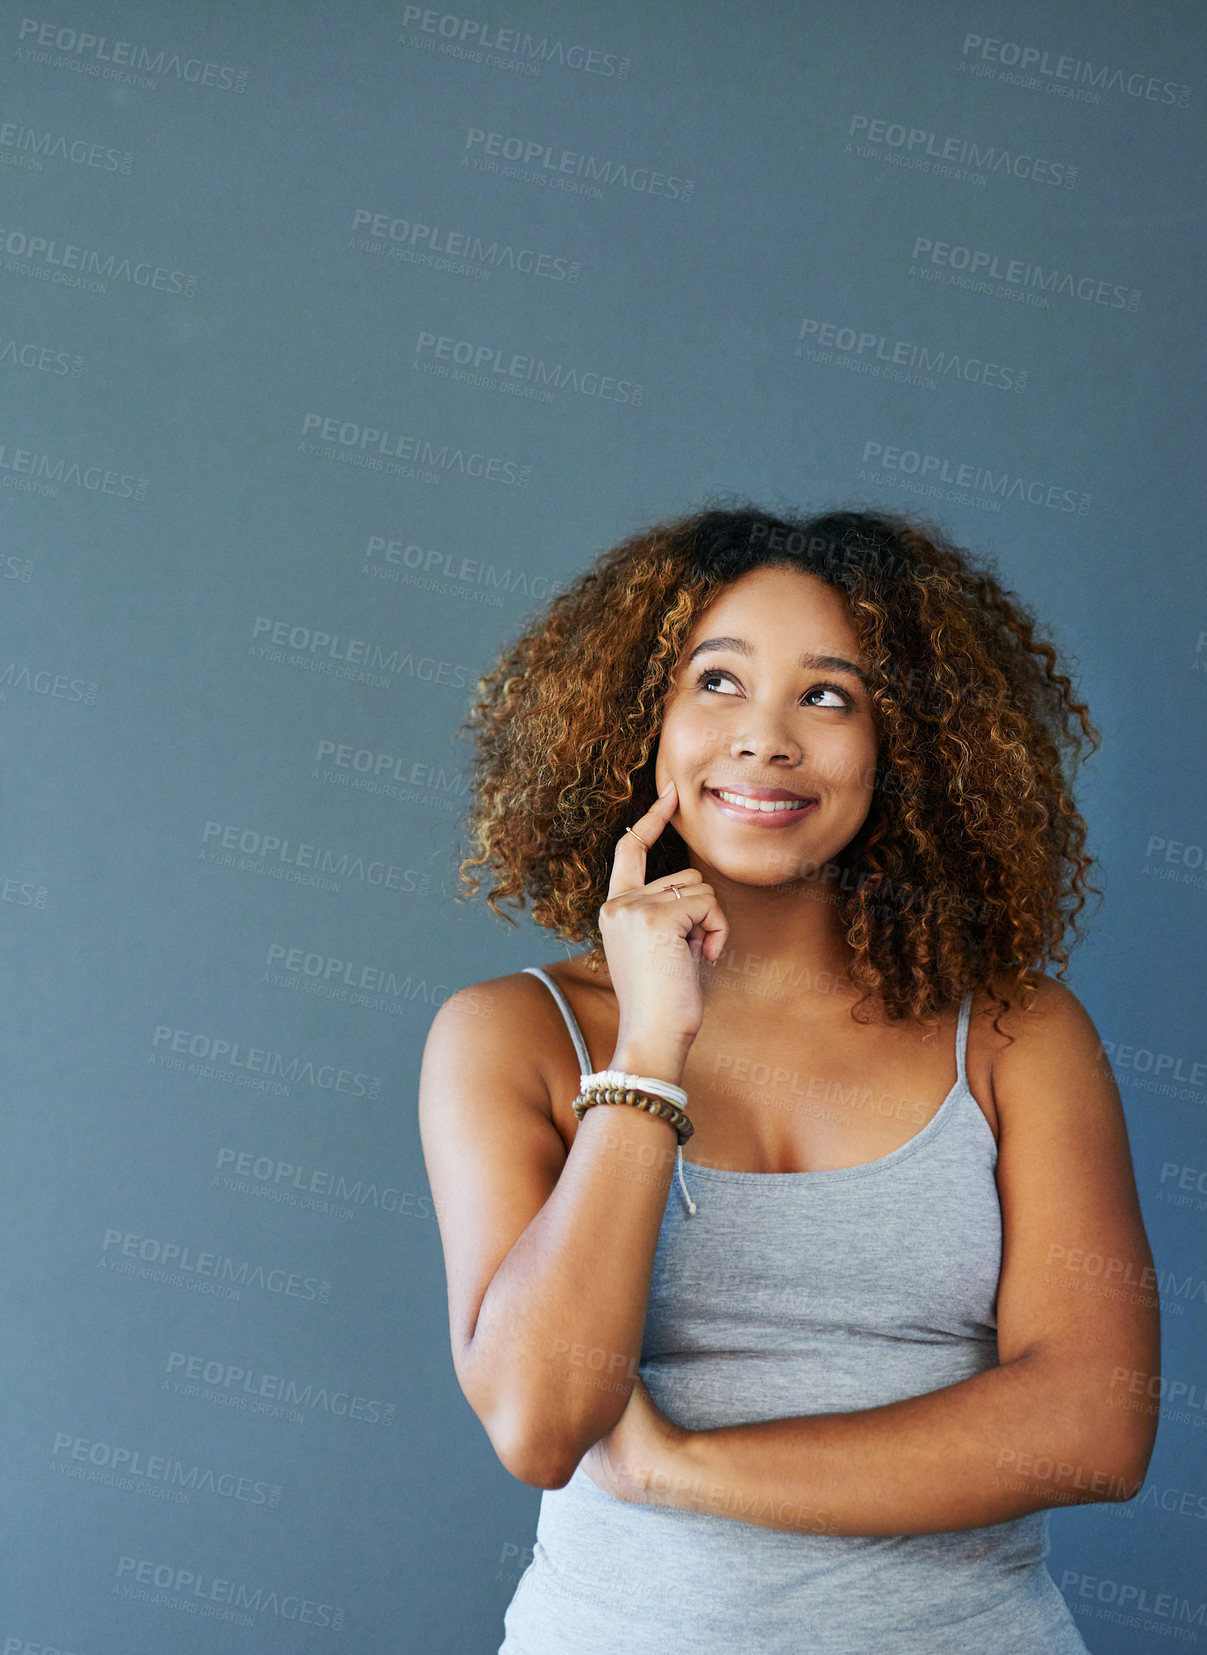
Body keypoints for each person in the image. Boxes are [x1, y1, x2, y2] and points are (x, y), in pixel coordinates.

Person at [418, 503, 1160, 1654]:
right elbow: (542, 1419)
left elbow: (1091, 1427)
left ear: (907, 746)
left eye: (828, 694)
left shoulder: (1018, 1031)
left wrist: (683, 1466)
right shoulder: (514, 1034)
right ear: (639, 721)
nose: (764, 739)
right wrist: (651, 1048)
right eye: (716, 681)